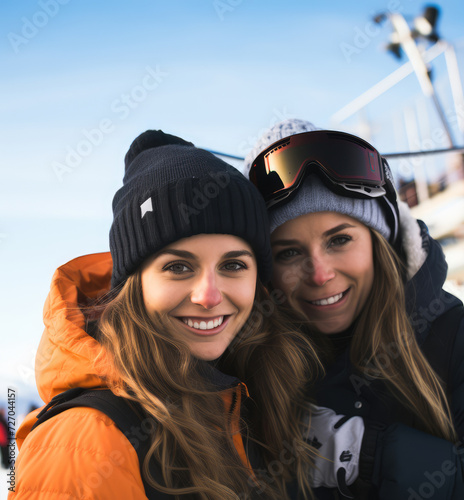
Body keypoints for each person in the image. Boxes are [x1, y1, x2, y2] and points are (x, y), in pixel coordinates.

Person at [10, 130, 343, 500]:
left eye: (233, 265)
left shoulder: (245, 397)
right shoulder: (87, 441)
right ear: (134, 286)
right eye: (179, 267)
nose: (209, 296)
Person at [245, 119, 464, 499]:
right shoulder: (245, 377)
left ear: (381, 243)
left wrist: (370, 455)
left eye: (340, 239)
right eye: (289, 253)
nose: (320, 274)